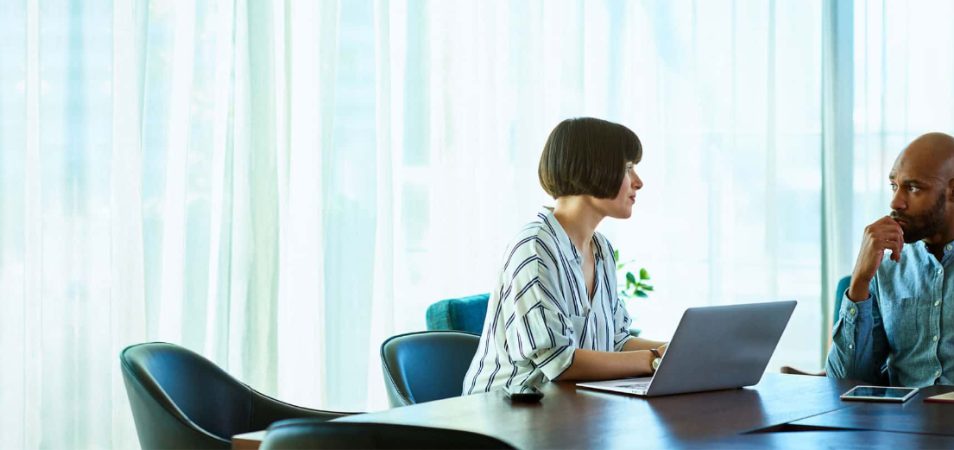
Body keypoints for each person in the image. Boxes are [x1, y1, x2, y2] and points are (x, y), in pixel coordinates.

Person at [462, 117, 668, 395]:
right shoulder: (534, 248)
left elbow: (615, 342)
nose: (638, 182)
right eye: (628, 168)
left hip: (567, 412)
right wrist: (654, 359)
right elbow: (559, 361)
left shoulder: (602, 250)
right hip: (504, 415)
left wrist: (675, 352)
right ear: (593, 169)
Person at [827, 132, 954, 387]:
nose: (895, 201)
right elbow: (845, 382)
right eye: (894, 186)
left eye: (913, 188)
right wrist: (860, 282)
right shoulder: (885, 270)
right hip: (900, 424)